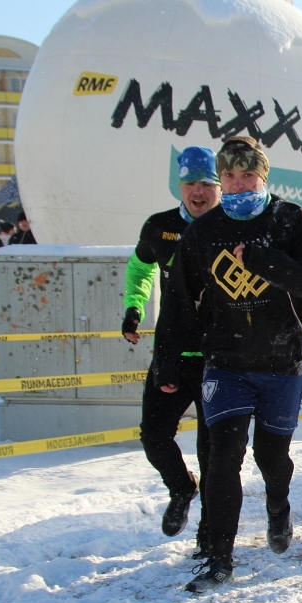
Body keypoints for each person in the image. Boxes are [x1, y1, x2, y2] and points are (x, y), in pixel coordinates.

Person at [158, 136, 302, 592]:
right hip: (226, 362)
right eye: (230, 176)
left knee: (271, 458)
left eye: (248, 176)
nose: (239, 185)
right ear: (220, 179)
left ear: (264, 176)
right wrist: (166, 362)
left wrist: (268, 262)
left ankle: (278, 507)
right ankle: (219, 557)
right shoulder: (203, 232)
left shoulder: (292, 220)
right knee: (223, 457)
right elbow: (178, 303)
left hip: (283, 360)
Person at [122, 146, 221, 555]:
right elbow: (140, 267)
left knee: (213, 453)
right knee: (154, 435)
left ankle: (209, 534)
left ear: (220, 186)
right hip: (172, 353)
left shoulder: (233, 227)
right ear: (179, 186)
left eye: (206, 183)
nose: (198, 192)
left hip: (220, 358)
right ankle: (181, 487)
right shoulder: (160, 227)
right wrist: (134, 307)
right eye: (190, 183)